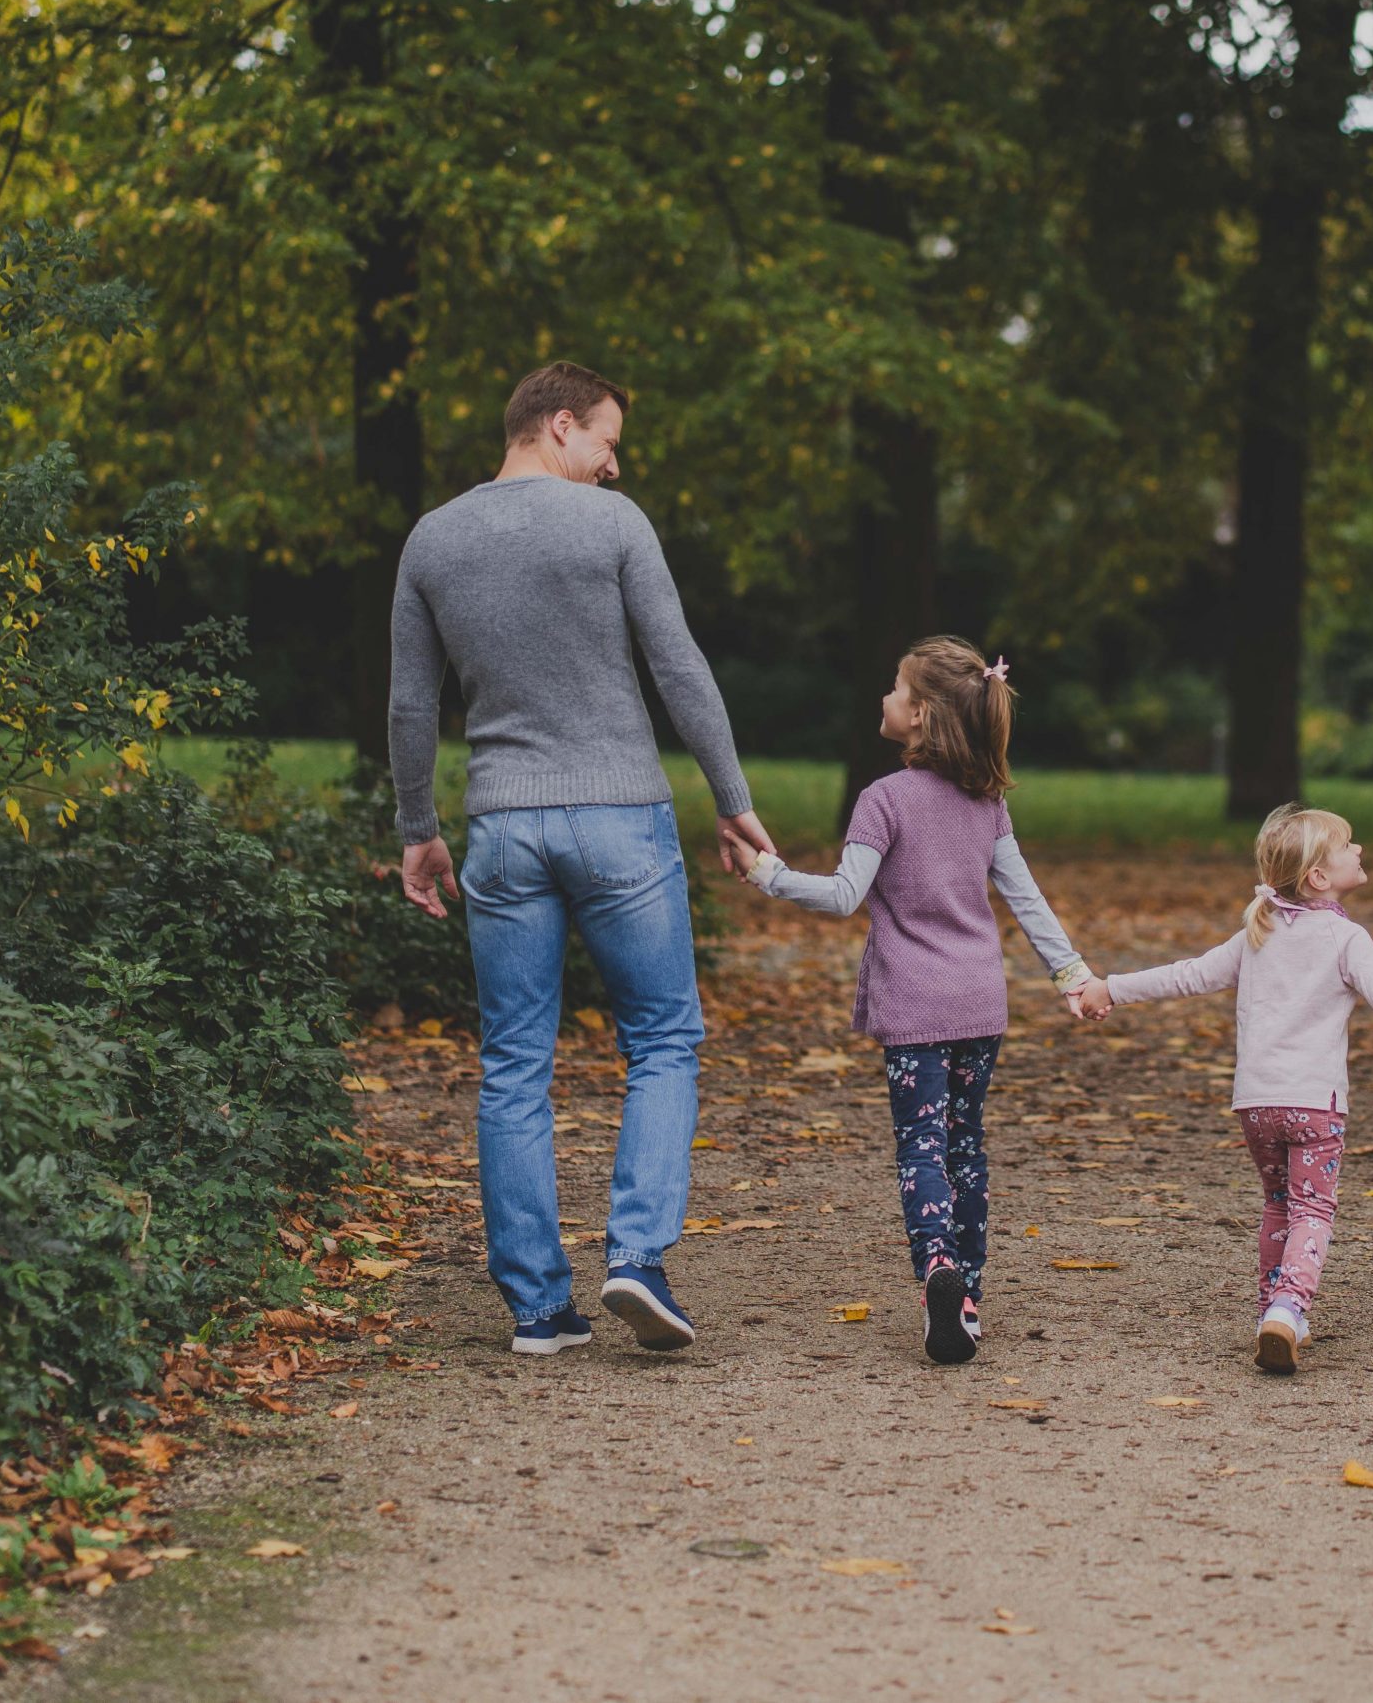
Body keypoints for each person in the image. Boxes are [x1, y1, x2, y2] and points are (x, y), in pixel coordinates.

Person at [389, 361, 774, 1356]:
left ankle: (535, 1309)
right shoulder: (615, 527)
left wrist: (417, 828)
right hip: (619, 821)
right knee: (661, 1037)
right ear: (561, 425)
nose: (612, 465)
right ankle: (636, 1258)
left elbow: (409, 705)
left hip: (504, 828)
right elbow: (679, 666)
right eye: (606, 442)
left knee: (514, 1062)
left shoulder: (433, 538)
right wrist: (732, 803)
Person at [730, 637, 1092, 1365]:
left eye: (895, 689)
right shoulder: (987, 806)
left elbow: (840, 895)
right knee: (967, 1147)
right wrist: (1071, 973)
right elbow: (1026, 900)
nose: (883, 700)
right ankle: (969, 1299)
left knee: (920, 1144)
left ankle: (937, 1267)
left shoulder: (882, 800)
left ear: (920, 715)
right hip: (980, 1005)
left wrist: (766, 871)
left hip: (914, 1010)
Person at [1075, 805, 1373, 1374]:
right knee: (1314, 1210)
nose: (1359, 850)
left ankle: (1272, 1313)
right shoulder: (1345, 936)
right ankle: (1287, 1309)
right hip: (1316, 1105)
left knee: (1278, 1205)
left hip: (1256, 1103)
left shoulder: (1258, 931)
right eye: (1348, 845)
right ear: (1319, 878)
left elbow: (1189, 974)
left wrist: (1110, 986)